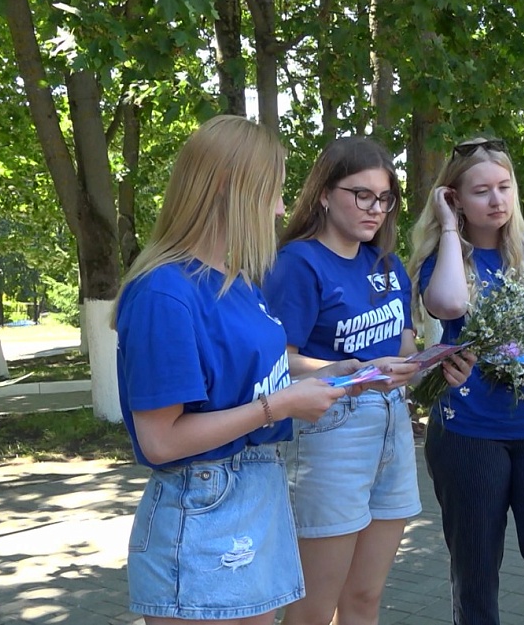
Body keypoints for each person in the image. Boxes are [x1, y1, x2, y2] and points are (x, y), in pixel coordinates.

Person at [114, 114, 356, 623]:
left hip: (254, 494)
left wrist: (339, 375)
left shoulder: (235, 281)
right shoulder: (165, 292)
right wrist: (280, 406)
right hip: (203, 503)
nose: (279, 209)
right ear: (229, 188)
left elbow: (246, 385)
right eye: (272, 192)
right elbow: (160, 441)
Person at [261, 137, 474, 625]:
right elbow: (278, 363)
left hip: (391, 427)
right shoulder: (298, 263)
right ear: (322, 193)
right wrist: (346, 374)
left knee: (364, 600)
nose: (374, 208)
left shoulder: (386, 264)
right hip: (328, 432)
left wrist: (433, 366)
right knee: (314, 607)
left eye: (384, 198)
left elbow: (401, 352)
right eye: (361, 194)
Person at [408, 137, 524, 625]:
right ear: (456, 198)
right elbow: (447, 306)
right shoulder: (445, 260)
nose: (497, 200)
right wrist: (448, 228)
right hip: (469, 434)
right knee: (476, 574)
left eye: (504, 187)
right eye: (481, 191)